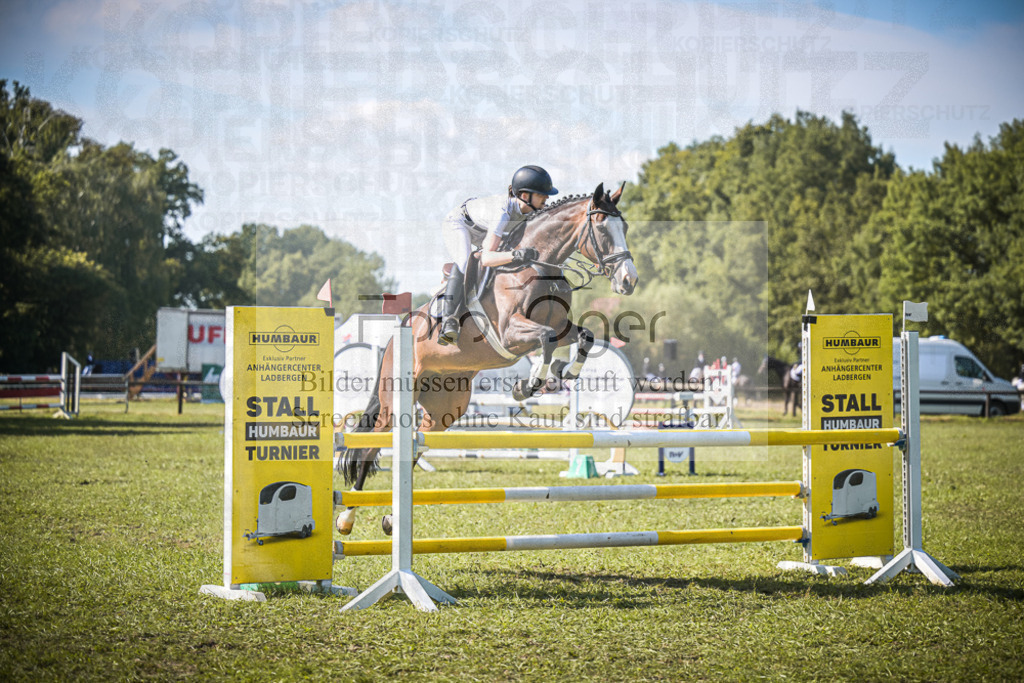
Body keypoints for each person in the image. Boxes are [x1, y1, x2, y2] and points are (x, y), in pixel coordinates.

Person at [438, 165, 558, 346]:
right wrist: (516, 254)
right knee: (464, 262)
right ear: (525, 196)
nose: (547, 198)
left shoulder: (528, 212)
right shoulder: (502, 213)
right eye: (541, 194)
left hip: (486, 230)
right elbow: (487, 259)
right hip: (460, 224)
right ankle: (449, 320)